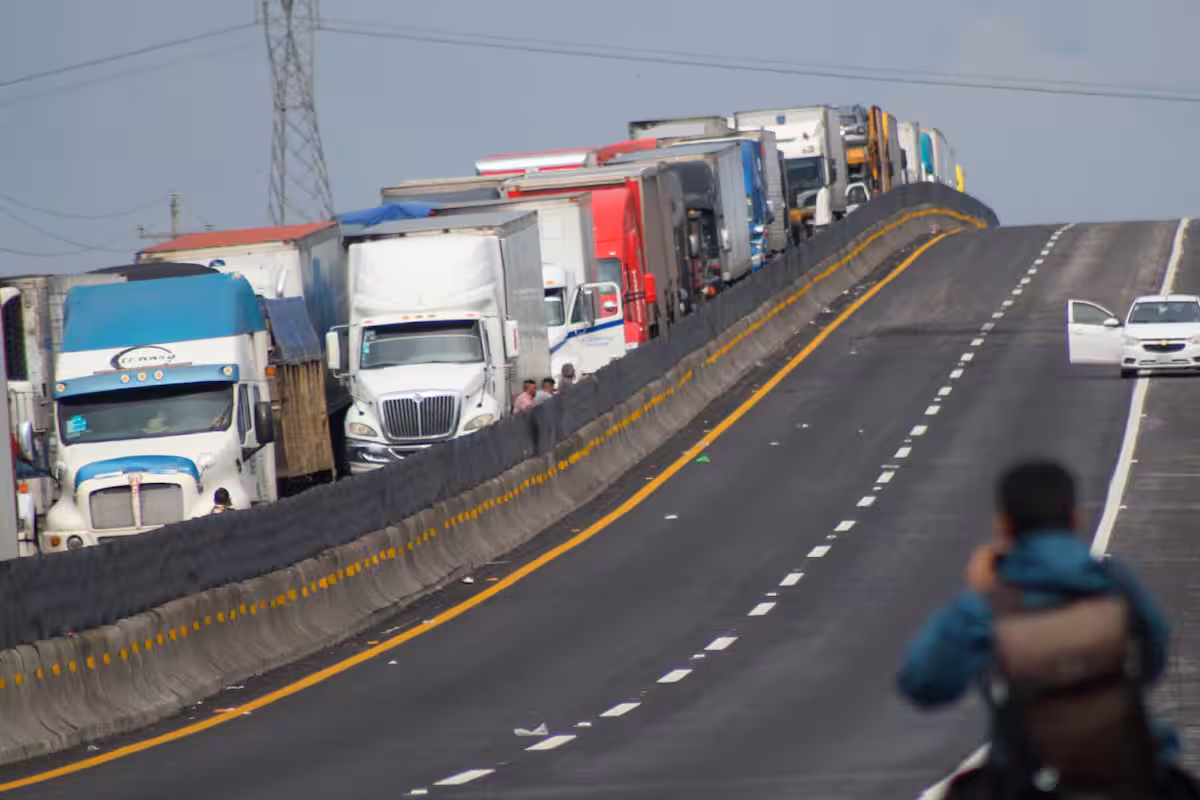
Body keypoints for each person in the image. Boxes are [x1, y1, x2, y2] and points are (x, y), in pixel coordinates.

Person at [897, 459, 1183, 798]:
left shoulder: (988, 604)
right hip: (1127, 775)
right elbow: (1155, 653)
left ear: (1003, 525)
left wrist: (979, 594)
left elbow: (924, 683)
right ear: (1074, 519)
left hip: (1025, 780)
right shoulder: (1115, 582)